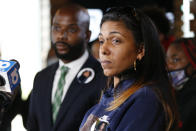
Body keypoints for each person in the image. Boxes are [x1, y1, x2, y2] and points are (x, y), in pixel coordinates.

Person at [80, 6, 179, 131]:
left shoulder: (145, 100)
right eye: (101, 41)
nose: (103, 50)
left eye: (116, 41)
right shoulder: (105, 100)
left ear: (140, 50)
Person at [27, 3, 106, 131]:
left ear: (87, 35)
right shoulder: (41, 78)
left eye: (71, 30)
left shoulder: (103, 77)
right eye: (57, 28)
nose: (61, 35)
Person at [166, 38, 196, 131]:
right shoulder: (180, 92)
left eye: (175, 60)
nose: (168, 66)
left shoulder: (192, 98)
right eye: (166, 60)